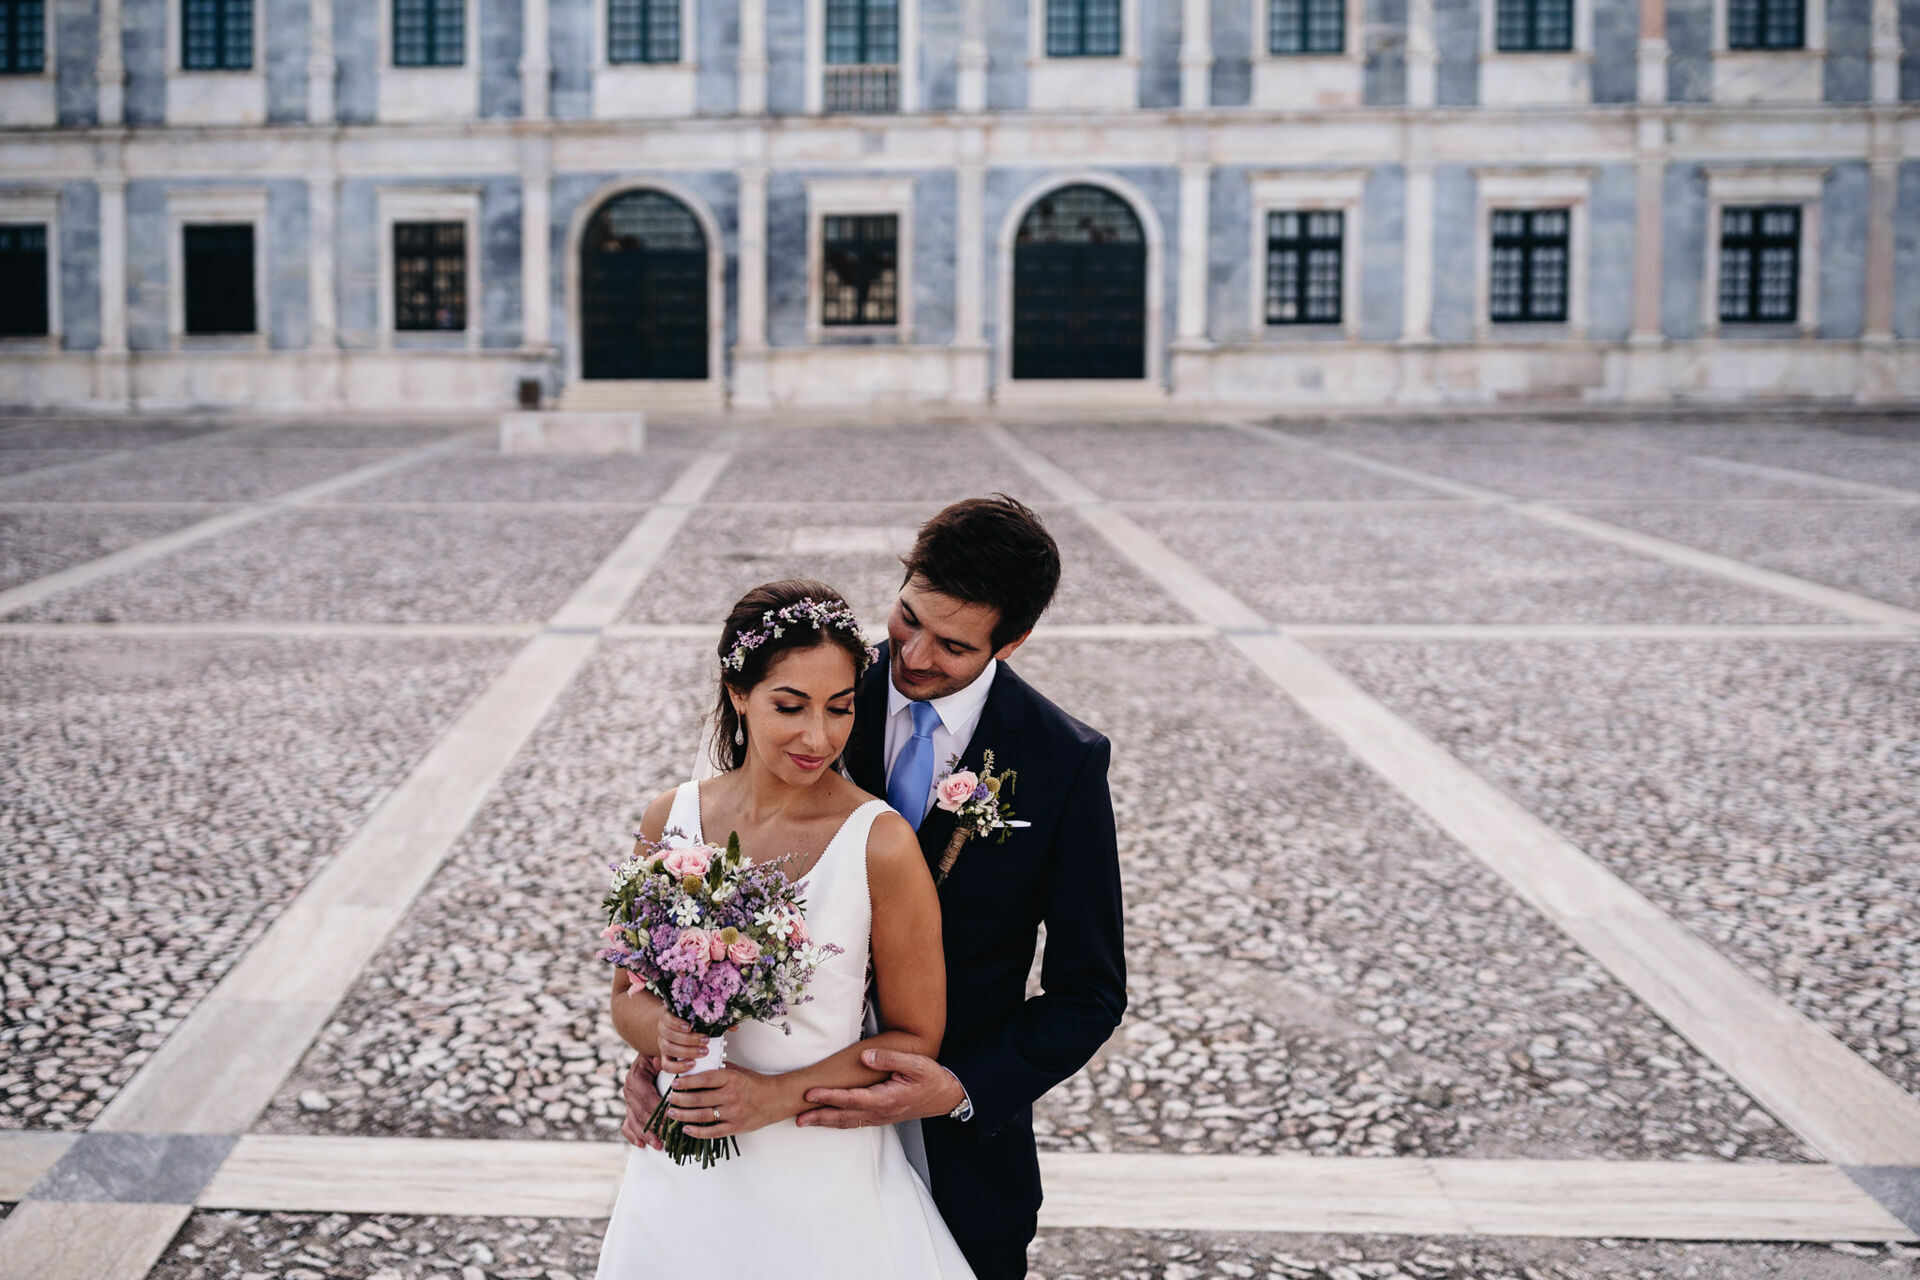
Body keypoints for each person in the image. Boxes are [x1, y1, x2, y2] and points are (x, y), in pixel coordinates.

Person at [620, 495, 1129, 1280]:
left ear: (1014, 640)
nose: (915, 655)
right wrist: (667, 1052)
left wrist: (958, 1086)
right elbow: (687, 915)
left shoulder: (1063, 763)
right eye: (907, 618)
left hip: (956, 1138)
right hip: (756, 1136)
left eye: (953, 646)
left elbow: (1089, 992)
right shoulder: (822, 677)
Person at [593, 578, 975, 1279]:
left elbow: (915, 1037)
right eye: (790, 706)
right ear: (738, 693)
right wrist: (664, 1036)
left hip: (821, 1177)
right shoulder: (667, 820)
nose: (818, 737)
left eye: (840, 709)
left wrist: (772, 1097)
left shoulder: (880, 843)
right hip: (686, 1173)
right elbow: (627, 995)